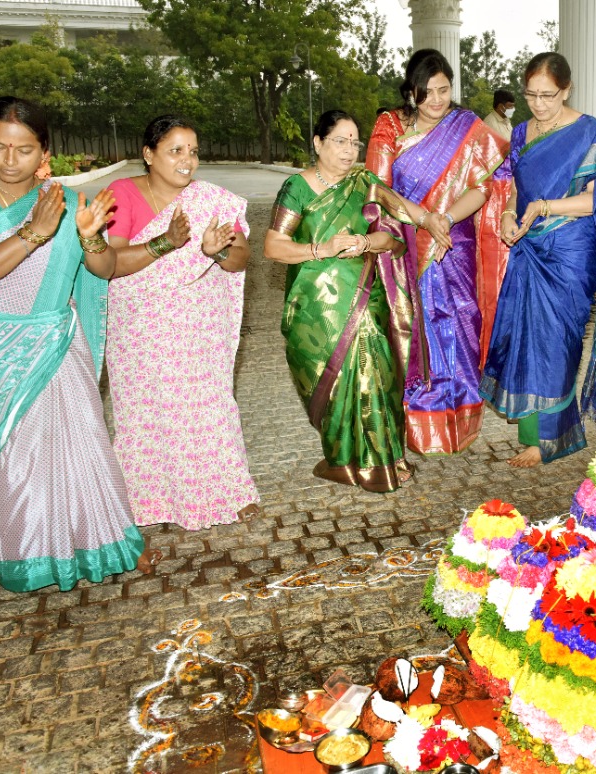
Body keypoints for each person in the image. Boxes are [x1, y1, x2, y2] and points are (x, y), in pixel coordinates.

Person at [0, 96, 156, 591]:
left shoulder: (65, 199)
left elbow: (104, 269)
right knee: (21, 454)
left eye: (24, 150)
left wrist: (90, 237)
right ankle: (31, 555)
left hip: (55, 336)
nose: (10, 161)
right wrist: (32, 233)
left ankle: (108, 541)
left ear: (45, 152)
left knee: (83, 444)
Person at [104, 115, 260, 531]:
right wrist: (164, 243)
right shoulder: (122, 194)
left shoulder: (212, 200)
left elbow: (242, 258)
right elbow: (112, 263)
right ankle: (149, 500)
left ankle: (226, 488)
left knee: (207, 406)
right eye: (175, 151)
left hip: (197, 331)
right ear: (148, 155)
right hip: (139, 331)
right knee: (144, 414)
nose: (187, 160)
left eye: (192, 151)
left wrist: (216, 252)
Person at [481, 51, 596, 466]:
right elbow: (515, 187)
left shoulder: (588, 132)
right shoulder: (523, 132)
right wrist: (511, 213)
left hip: (571, 248)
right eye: (531, 95)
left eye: (549, 95)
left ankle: (555, 435)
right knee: (528, 334)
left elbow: (595, 201)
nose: (540, 104)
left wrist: (544, 206)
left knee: (558, 340)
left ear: (566, 90)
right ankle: (535, 437)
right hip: (529, 243)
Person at [263, 110, 424, 491]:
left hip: (365, 297)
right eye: (340, 140)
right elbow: (273, 247)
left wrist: (366, 242)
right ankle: (340, 458)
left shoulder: (365, 183)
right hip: (314, 308)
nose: (350, 150)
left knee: (377, 372)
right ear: (318, 143)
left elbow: (394, 239)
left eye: (355, 142)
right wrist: (322, 249)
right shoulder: (297, 188)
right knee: (332, 383)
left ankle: (383, 459)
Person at [365, 49, 509, 456]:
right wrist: (425, 218)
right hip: (408, 239)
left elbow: (482, 187)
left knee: (461, 317)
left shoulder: (466, 127)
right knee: (418, 325)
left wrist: (443, 217)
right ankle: (419, 422)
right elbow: (378, 187)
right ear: (411, 92)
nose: (436, 100)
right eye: (426, 92)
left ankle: (460, 419)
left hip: (453, 237)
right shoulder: (390, 125)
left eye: (443, 90)